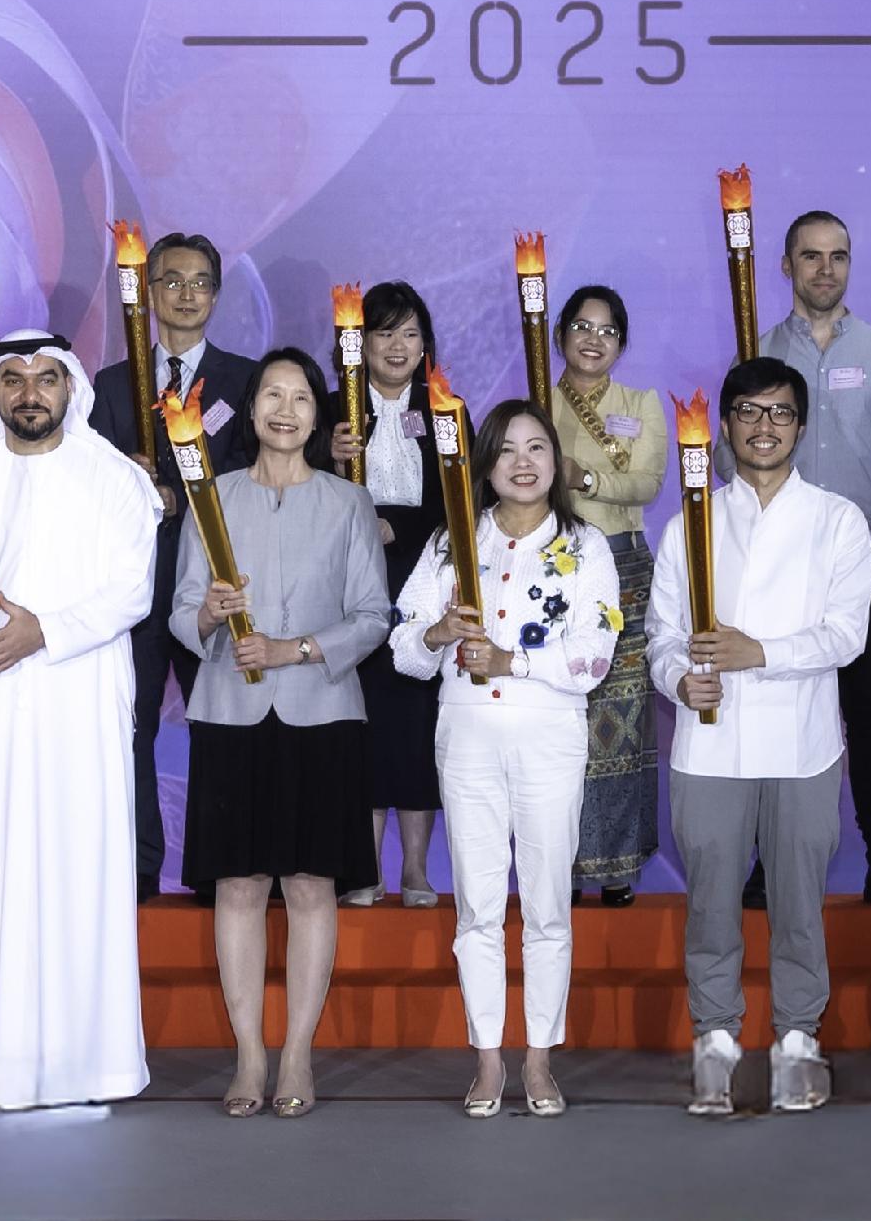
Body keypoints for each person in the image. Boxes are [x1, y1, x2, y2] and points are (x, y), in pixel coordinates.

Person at [0, 333, 159, 1108]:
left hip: (79, 703)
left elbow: (132, 592)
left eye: (46, 378)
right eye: (13, 379)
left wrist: (42, 630)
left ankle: (95, 1065)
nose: (29, 393)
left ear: (70, 387)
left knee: (81, 872)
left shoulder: (115, 477)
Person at [654, 357, 871, 1114]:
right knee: (711, 899)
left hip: (803, 742)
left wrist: (761, 654)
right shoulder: (691, 520)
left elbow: (846, 634)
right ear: (725, 426)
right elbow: (660, 635)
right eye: (749, 412)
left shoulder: (838, 519)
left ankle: (796, 1042)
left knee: (799, 901)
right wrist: (678, 676)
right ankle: (715, 1041)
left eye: (780, 413)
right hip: (709, 743)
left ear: (802, 427)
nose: (764, 426)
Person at [171, 351, 389, 1119]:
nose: (286, 409)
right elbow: (181, 610)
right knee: (237, 883)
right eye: (273, 394)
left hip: (321, 714)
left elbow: (373, 615)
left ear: (317, 415)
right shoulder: (214, 497)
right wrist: (207, 615)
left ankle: (296, 1049)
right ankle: (248, 1053)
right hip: (230, 710)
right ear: (253, 407)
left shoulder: (346, 502)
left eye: (301, 397)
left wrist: (296, 648)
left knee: (307, 883)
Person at [393, 400, 620, 1119]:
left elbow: (594, 655)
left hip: (550, 735)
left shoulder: (588, 547)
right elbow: (402, 646)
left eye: (537, 448)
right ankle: (488, 1057)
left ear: (555, 462)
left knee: (548, 903)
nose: (523, 462)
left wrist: (511, 658)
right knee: (478, 905)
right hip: (466, 738)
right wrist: (436, 632)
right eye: (508, 450)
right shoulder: (450, 543)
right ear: (484, 463)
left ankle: (540, 1057)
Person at [757, 210, 871, 908]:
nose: (825, 269)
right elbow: (736, 461)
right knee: (779, 710)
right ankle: (770, 864)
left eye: (838, 256)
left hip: (859, 563)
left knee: (868, 712)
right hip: (776, 568)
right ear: (786, 265)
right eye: (810, 256)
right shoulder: (760, 350)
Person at [93, 233, 263, 901]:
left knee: (222, 722)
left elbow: (261, 473)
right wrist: (129, 488)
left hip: (218, 580)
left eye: (199, 282)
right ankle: (138, 864)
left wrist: (188, 493)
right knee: (130, 722)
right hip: (135, 585)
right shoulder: (107, 385)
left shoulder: (247, 380)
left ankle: (222, 861)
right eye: (171, 280)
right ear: (148, 291)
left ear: (215, 295)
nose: (186, 293)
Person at [549, 283, 669, 905]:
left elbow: (645, 483)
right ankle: (560, 863)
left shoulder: (640, 402)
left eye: (608, 331)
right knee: (558, 715)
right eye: (583, 326)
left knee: (618, 717)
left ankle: (616, 865)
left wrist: (584, 477)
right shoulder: (536, 405)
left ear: (621, 343)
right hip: (554, 566)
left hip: (623, 568)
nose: (594, 339)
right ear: (560, 332)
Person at [329, 281, 447, 907]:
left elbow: (462, 498)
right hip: (349, 585)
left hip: (422, 579)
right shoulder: (332, 411)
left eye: (410, 333)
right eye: (384, 332)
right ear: (359, 342)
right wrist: (329, 455)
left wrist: (395, 527)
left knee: (418, 724)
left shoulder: (444, 410)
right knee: (364, 723)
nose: (398, 346)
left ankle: (419, 871)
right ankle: (365, 867)